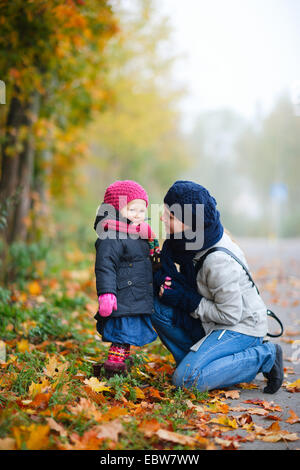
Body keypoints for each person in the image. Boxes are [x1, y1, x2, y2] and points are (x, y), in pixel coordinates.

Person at [152, 180, 284, 394]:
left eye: (170, 216)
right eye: (164, 211)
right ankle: (201, 365)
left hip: (240, 328)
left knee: (185, 381)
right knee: (155, 306)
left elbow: (230, 315)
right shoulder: (186, 243)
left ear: (191, 224)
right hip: (212, 322)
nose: (162, 218)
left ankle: (264, 355)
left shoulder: (218, 260)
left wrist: (187, 299)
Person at [93, 180, 159, 375]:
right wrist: (106, 293)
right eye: (132, 210)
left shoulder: (141, 234)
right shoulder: (110, 235)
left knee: (128, 334)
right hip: (122, 296)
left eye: (141, 211)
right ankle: (114, 370)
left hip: (136, 294)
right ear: (116, 209)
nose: (138, 215)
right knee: (122, 332)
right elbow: (105, 265)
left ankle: (123, 363)